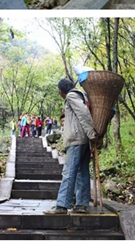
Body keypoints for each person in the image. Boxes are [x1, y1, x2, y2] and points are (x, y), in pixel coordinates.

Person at [44, 78, 98, 214]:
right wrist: (90, 135)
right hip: (83, 139)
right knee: (82, 171)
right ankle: (81, 204)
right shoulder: (81, 96)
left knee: (69, 172)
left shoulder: (72, 96)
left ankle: (62, 206)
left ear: (61, 91)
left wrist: (91, 133)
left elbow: (84, 113)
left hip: (76, 139)